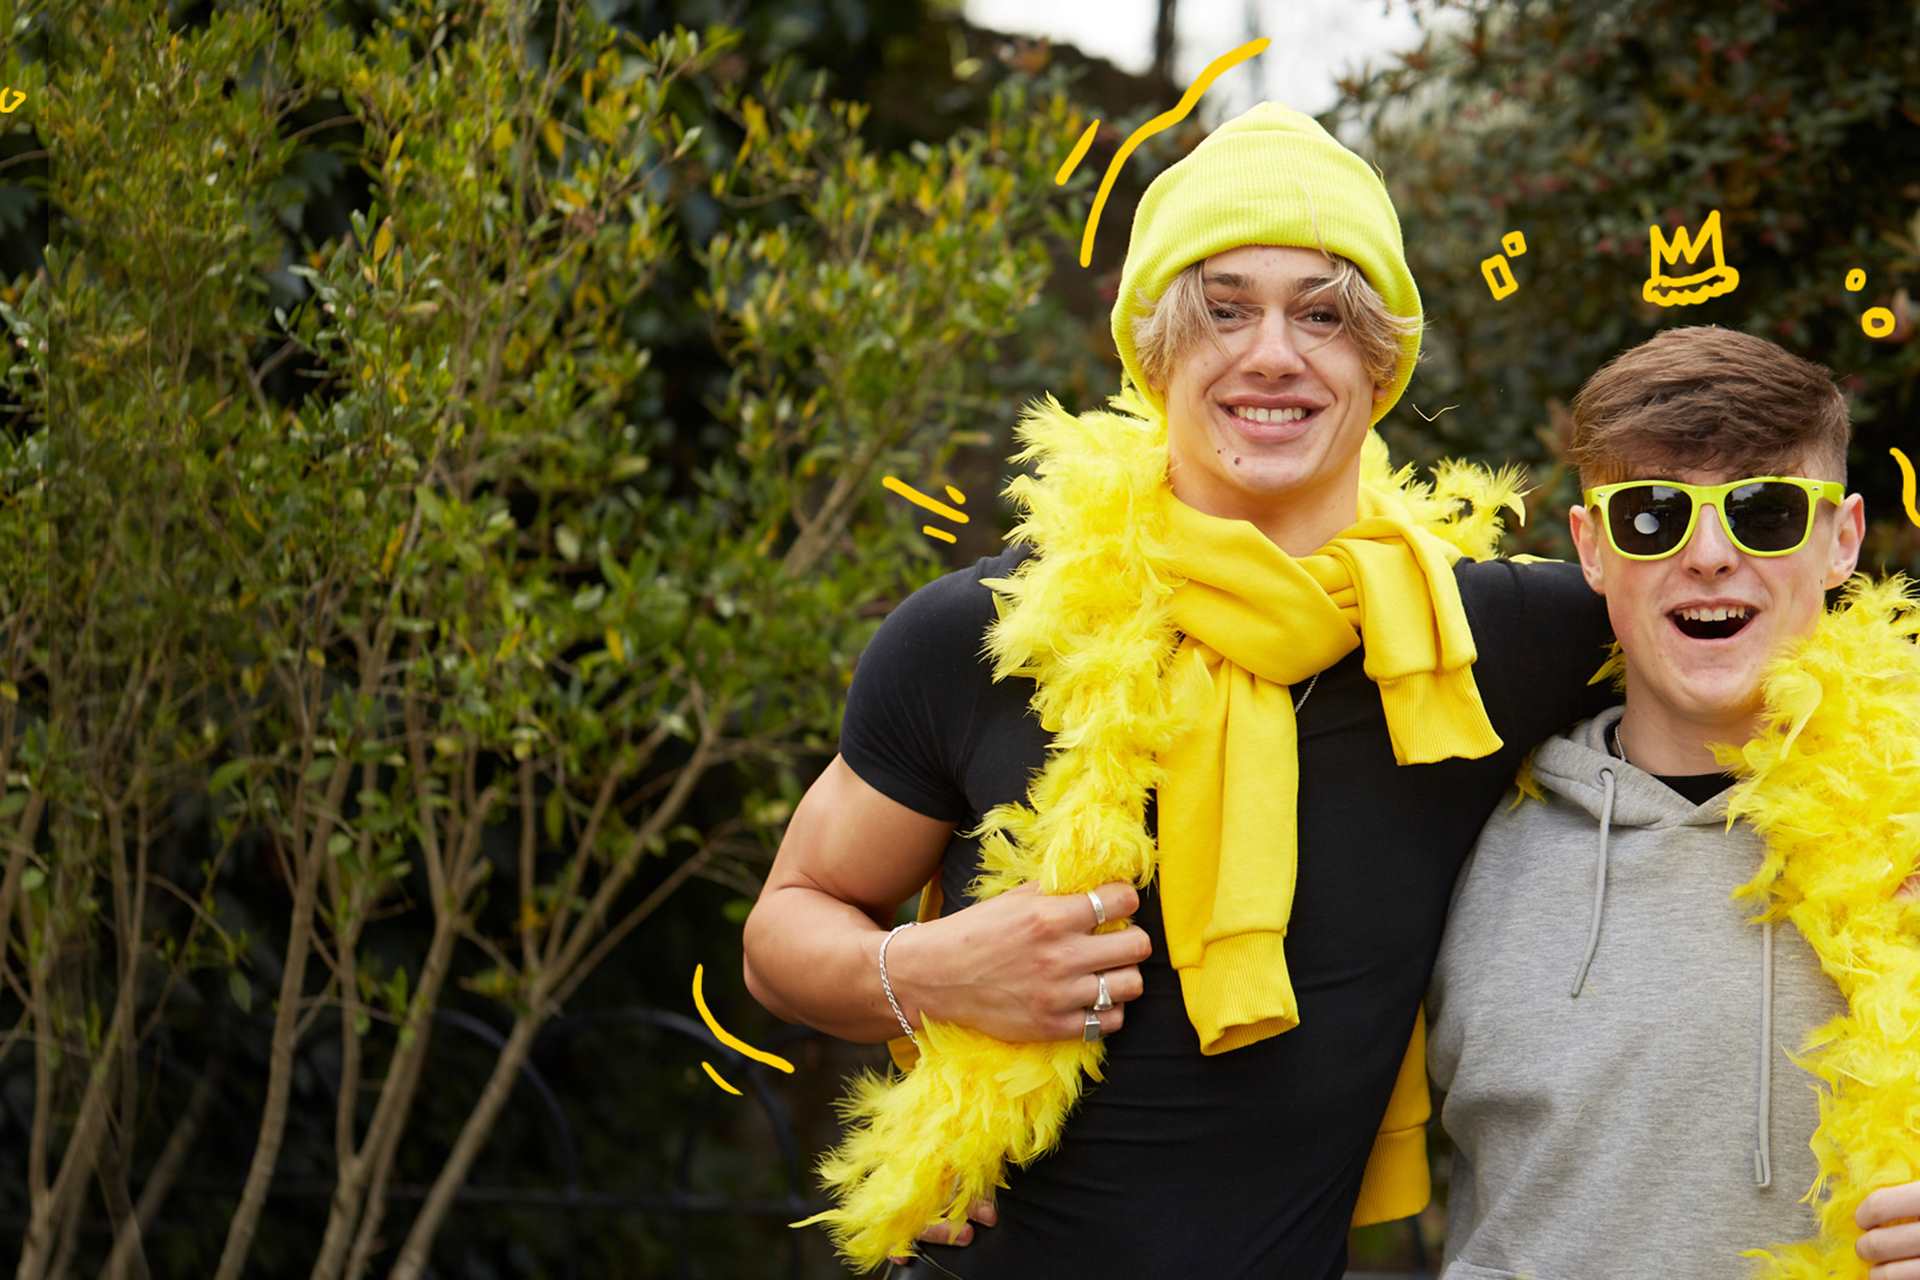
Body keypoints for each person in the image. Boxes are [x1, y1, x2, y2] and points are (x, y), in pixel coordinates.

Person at [743, 102, 1618, 1277]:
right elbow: (782, 929)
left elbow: (1784, 671)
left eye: (1324, 313)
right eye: (1223, 309)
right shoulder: (986, 632)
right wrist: (933, 971)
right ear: (1153, 352)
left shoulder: (1480, 636)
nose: (1273, 353)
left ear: (1381, 360)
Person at [1426, 326, 1920, 1279]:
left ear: (1842, 540)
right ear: (1592, 549)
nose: (1708, 556)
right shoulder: (1453, 823)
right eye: (1651, 516)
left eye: (1766, 513)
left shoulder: (1905, 829)